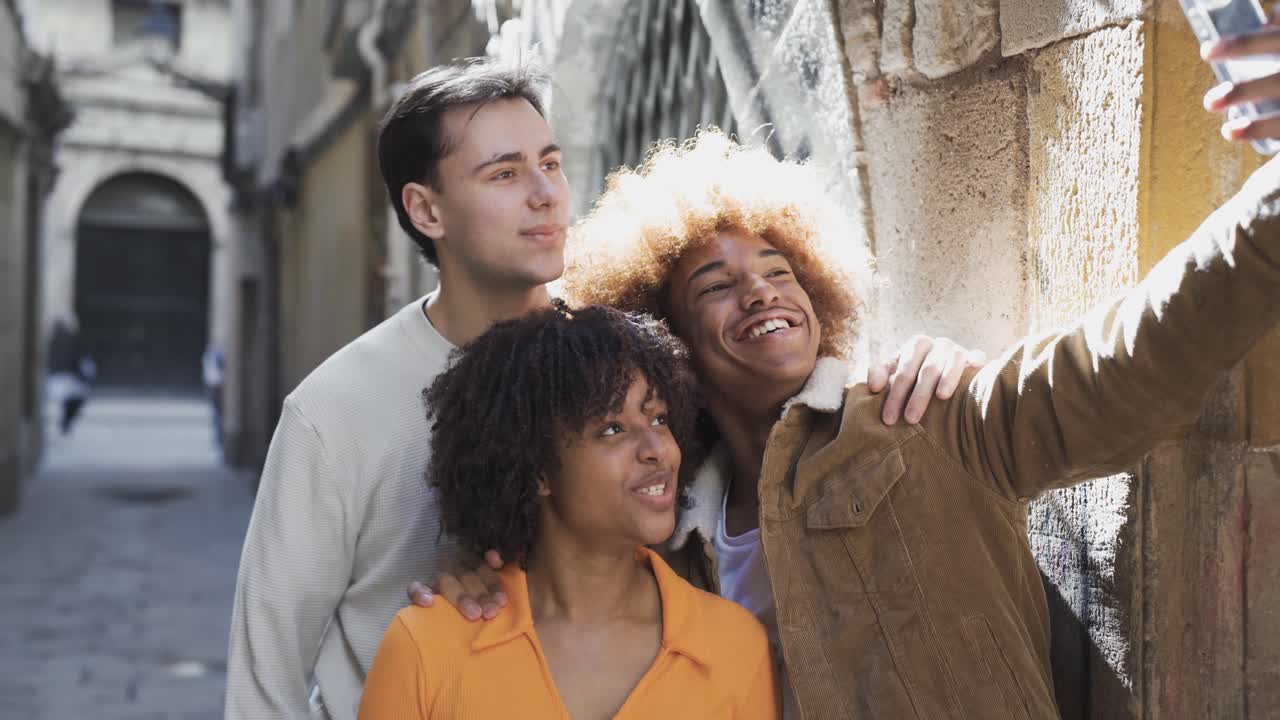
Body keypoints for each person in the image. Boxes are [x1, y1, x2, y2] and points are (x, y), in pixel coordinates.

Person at [426, 38, 1280, 720]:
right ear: (667, 343)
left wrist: (1269, 204)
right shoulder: (665, 534)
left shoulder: (925, 417)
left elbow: (1128, 362)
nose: (761, 290)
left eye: (778, 268)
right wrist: (478, 578)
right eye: (716, 286)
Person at [225, 58, 961, 720]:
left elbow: (775, 376)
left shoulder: (625, 358)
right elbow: (264, 684)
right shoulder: (334, 413)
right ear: (426, 210)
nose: (546, 195)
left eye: (551, 163)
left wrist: (918, 366)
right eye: (505, 174)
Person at [360, 304, 779, 719]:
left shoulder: (736, 648)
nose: (658, 450)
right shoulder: (427, 646)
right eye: (612, 429)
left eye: (658, 419)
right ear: (537, 468)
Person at [47, 317, 94, 435]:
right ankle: (65, 422)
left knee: (71, 400)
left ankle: (65, 422)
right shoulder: (67, 339)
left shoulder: (57, 339)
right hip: (65, 376)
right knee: (73, 399)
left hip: (62, 376)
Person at [202, 344, 225, 447]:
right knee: (218, 412)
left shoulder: (210, 356)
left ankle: (218, 436)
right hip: (217, 386)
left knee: (217, 413)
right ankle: (218, 436)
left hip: (214, 385)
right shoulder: (213, 356)